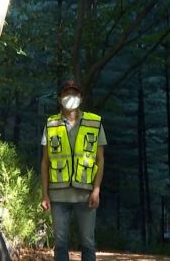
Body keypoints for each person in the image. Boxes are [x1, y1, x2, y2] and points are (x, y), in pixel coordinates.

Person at [41, 80, 106, 261]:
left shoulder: (94, 122)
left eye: (75, 93)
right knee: (60, 243)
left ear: (81, 98)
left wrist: (96, 190)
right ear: (59, 98)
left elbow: (100, 160)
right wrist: (45, 194)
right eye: (67, 93)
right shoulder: (50, 124)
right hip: (58, 194)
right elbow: (45, 162)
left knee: (88, 242)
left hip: (85, 194)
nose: (71, 97)